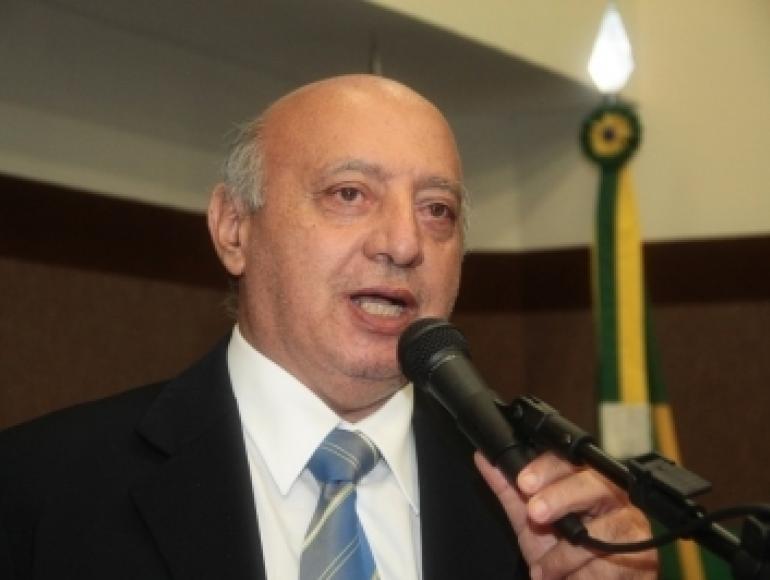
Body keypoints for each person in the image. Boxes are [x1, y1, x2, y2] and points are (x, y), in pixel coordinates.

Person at [0, 74, 656, 579]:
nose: (403, 243)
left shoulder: (544, 510)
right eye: (349, 194)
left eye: (437, 209)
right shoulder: (40, 488)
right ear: (234, 228)